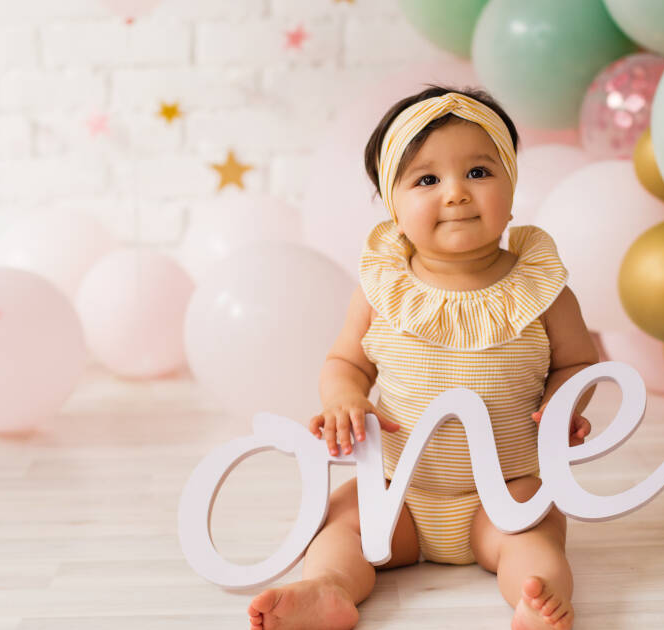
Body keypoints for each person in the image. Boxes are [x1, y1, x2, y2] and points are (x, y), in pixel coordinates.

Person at [248, 85, 600, 630]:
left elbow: (576, 363)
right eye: (427, 180)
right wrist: (343, 397)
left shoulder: (542, 289)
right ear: (393, 202)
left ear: (511, 183)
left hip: (506, 490)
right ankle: (328, 589)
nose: (456, 193)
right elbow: (347, 362)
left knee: (533, 538)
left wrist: (563, 404)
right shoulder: (381, 288)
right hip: (398, 493)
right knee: (343, 527)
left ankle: (537, 600)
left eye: (480, 173)